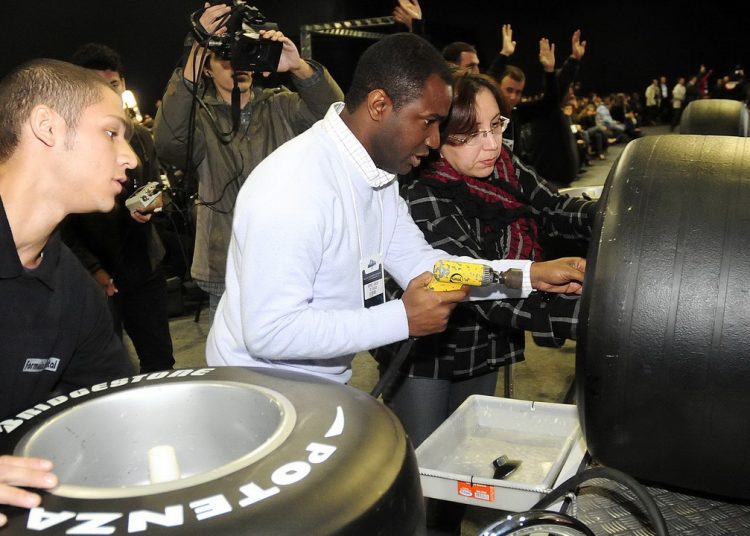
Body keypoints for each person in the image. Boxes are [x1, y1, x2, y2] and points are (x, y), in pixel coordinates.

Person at [206, 33, 585, 385]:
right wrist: (400, 319)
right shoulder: (293, 188)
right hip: (257, 387)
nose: (435, 140)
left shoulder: (378, 176)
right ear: (379, 105)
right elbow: (270, 332)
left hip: (319, 381)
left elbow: (430, 268)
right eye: (429, 122)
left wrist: (527, 276)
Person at [374, 71, 594, 533]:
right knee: (424, 474)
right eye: (471, 134)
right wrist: (592, 315)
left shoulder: (504, 166)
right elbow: (473, 284)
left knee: (467, 467)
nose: (491, 144)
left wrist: (618, 211)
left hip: (483, 346)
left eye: (496, 126)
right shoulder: (421, 194)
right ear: (437, 134)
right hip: (427, 355)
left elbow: (553, 206)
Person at [0, 58, 136, 525]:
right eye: (112, 133)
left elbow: (110, 415)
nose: (131, 158)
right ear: (47, 127)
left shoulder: (76, 294)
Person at [153, 2, 343, 324]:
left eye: (243, 54)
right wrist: (195, 53)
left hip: (290, 260)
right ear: (207, 69)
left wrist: (299, 67)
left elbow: (337, 118)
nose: (236, 65)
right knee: (231, 355)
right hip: (225, 264)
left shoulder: (282, 106)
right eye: (224, 58)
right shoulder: (199, 119)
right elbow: (168, 144)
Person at [65, 43, 175, 373]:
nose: (107, 93)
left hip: (144, 266)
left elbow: (157, 188)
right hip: (93, 275)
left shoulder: (140, 136)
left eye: (113, 84)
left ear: (123, 84)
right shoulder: (66, 145)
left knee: (159, 363)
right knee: (105, 371)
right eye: (96, 85)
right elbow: (60, 222)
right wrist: (93, 271)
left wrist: (152, 206)